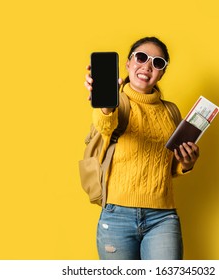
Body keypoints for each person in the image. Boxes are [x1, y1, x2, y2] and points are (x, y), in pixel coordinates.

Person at [84, 37, 200, 260]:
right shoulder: (115, 102)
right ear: (128, 63)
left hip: (163, 218)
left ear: (162, 73)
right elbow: (105, 125)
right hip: (117, 216)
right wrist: (106, 106)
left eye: (157, 63)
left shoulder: (171, 111)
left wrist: (187, 163)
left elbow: (170, 165)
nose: (147, 66)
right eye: (141, 57)